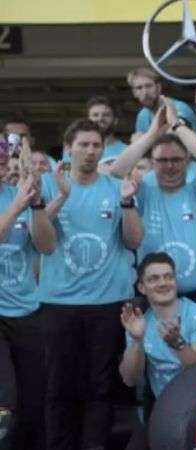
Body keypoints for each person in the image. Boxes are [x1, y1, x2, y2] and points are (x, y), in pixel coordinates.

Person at [39, 119, 143, 450]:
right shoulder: (48, 184)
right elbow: (41, 242)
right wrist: (60, 197)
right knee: (58, 387)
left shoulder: (116, 187)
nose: (90, 151)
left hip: (108, 301)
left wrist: (127, 203)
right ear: (68, 149)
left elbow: (134, 240)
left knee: (101, 386)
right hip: (59, 303)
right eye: (83, 144)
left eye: (96, 145)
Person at [111, 98, 196, 311]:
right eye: (162, 160)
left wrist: (177, 126)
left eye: (176, 159)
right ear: (152, 163)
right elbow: (115, 172)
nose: (170, 166)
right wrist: (152, 134)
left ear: (187, 162)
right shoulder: (142, 190)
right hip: (154, 301)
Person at [118, 252, 196, 448]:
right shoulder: (139, 322)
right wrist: (137, 340)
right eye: (153, 279)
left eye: (168, 276)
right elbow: (130, 379)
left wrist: (178, 345)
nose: (163, 283)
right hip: (165, 411)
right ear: (141, 287)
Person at [0, 150, 55, 449]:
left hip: (27, 309)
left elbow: (46, 247)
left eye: (2, 151)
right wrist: (19, 204)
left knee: (34, 401)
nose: (0, 157)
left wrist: (36, 206)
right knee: (4, 400)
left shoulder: (18, 193)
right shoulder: (15, 199)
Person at [127, 67, 196, 137]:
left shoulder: (179, 108)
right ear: (134, 93)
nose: (145, 92)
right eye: (139, 88)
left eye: (148, 86)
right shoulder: (142, 116)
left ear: (158, 88)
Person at [85, 96, 128, 162]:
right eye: (95, 115)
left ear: (115, 121)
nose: (100, 118)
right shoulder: (74, 149)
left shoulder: (127, 151)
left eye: (106, 115)